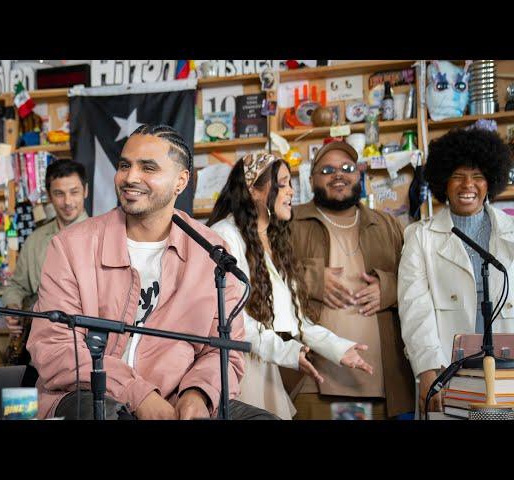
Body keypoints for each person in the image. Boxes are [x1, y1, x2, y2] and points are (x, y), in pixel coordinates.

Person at [27, 124, 276, 420]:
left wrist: (199, 394)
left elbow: (225, 352)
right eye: (124, 165)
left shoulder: (212, 251)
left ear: (180, 182)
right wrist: (137, 393)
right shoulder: (71, 246)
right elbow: (54, 348)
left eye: (148, 168)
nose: (130, 177)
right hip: (93, 396)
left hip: (177, 396)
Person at [207, 152, 373, 419]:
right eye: (282, 184)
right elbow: (231, 321)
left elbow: (297, 319)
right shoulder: (225, 236)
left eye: (290, 183)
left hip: (263, 366)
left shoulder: (272, 241)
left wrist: (338, 348)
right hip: (236, 371)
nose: (291, 191)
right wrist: (287, 351)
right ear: (255, 192)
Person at [289, 141, 414, 419]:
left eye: (347, 168)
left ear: (360, 175)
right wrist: (308, 279)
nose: (338, 175)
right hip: (312, 382)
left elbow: (417, 283)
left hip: (383, 385)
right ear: (311, 179)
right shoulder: (289, 222)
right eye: (327, 170)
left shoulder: (388, 225)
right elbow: (260, 277)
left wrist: (390, 289)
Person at [398, 128, 514, 415]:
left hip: (506, 366)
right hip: (447, 368)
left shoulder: (511, 233)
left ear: (491, 181)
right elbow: (415, 308)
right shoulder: (419, 236)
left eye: (477, 177)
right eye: (458, 176)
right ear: (443, 182)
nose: (468, 185)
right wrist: (426, 369)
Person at [2, 159, 89, 364]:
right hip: (41, 351)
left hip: (89, 350)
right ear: (49, 196)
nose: (68, 202)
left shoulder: (105, 237)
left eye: (74, 192)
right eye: (59, 194)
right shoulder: (34, 240)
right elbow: (16, 285)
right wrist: (12, 306)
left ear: (85, 191)